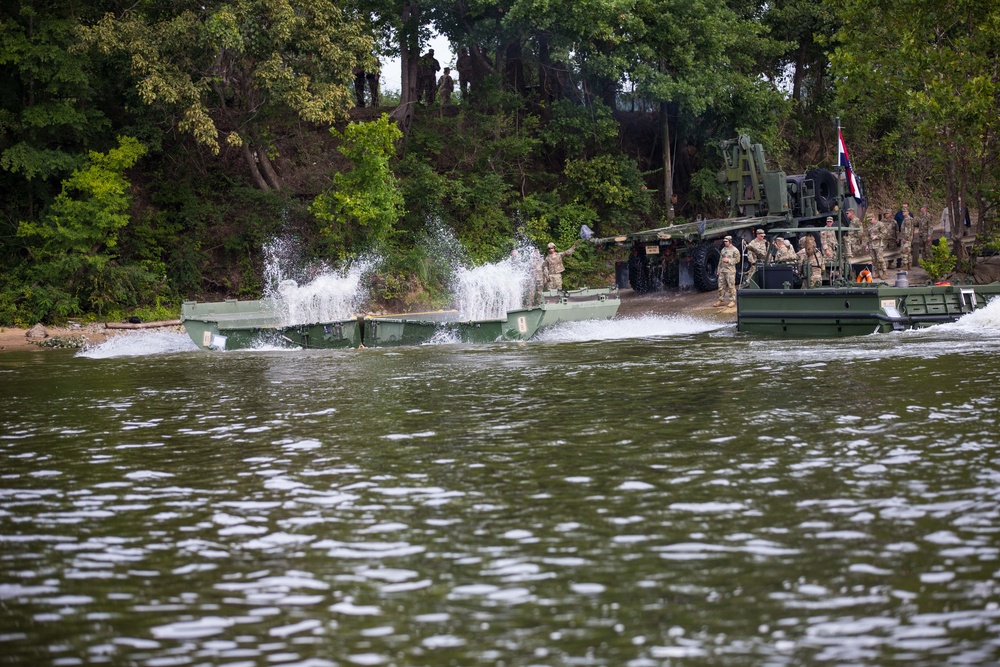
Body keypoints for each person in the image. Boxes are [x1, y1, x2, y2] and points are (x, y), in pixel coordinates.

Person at [715, 236, 740, 307]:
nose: (725, 243)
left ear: (730, 241)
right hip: (723, 270)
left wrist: (729, 260)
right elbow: (720, 260)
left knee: (731, 286)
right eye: (724, 242)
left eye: (726, 241)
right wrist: (718, 269)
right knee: (720, 286)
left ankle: (732, 300)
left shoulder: (735, 250)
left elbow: (738, 260)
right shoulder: (723, 249)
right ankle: (721, 300)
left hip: (730, 271)